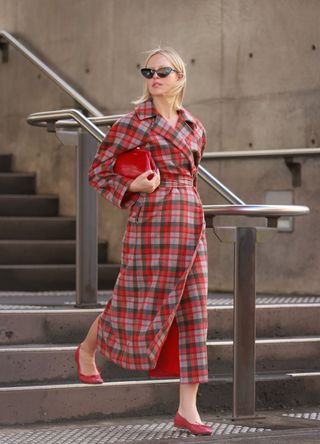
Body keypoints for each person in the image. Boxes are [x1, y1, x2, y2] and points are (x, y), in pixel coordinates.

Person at [75, 46, 212, 436]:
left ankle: (189, 409)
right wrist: (131, 186)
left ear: (180, 78)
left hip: (190, 222)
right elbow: (99, 171)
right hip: (152, 222)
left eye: (163, 72)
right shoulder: (135, 122)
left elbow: (193, 176)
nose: (154, 77)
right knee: (135, 300)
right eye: (148, 71)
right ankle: (87, 349)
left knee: (193, 312)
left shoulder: (194, 127)